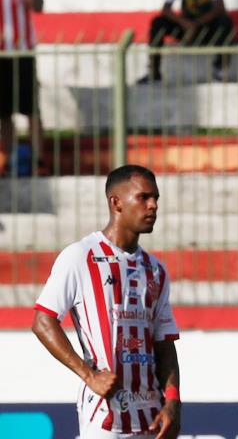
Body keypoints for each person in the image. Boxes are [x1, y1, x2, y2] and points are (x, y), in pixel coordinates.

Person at [32, 165, 181, 439]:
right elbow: (43, 321)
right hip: (104, 416)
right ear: (116, 202)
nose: (153, 206)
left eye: (156, 198)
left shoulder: (155, 269)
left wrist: (172, 400)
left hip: (151, 416)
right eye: (144, 197)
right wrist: (89, 375)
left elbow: (164, 345)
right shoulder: (80, 256)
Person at [138, 0, 234, 84]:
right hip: (186, 29)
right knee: (158, 22)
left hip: (206, 28)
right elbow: (165, 9)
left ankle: (220, 71)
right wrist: (184, 23)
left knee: (225, 21)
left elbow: (220, 7)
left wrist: (196, 24)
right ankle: (154, 72)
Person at [0, 0, 45, 176]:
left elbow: (37, 6)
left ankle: (39, 160)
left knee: (31, 109)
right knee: (4, 112)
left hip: (24, 54)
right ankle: (9, 160)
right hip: (1, 56)